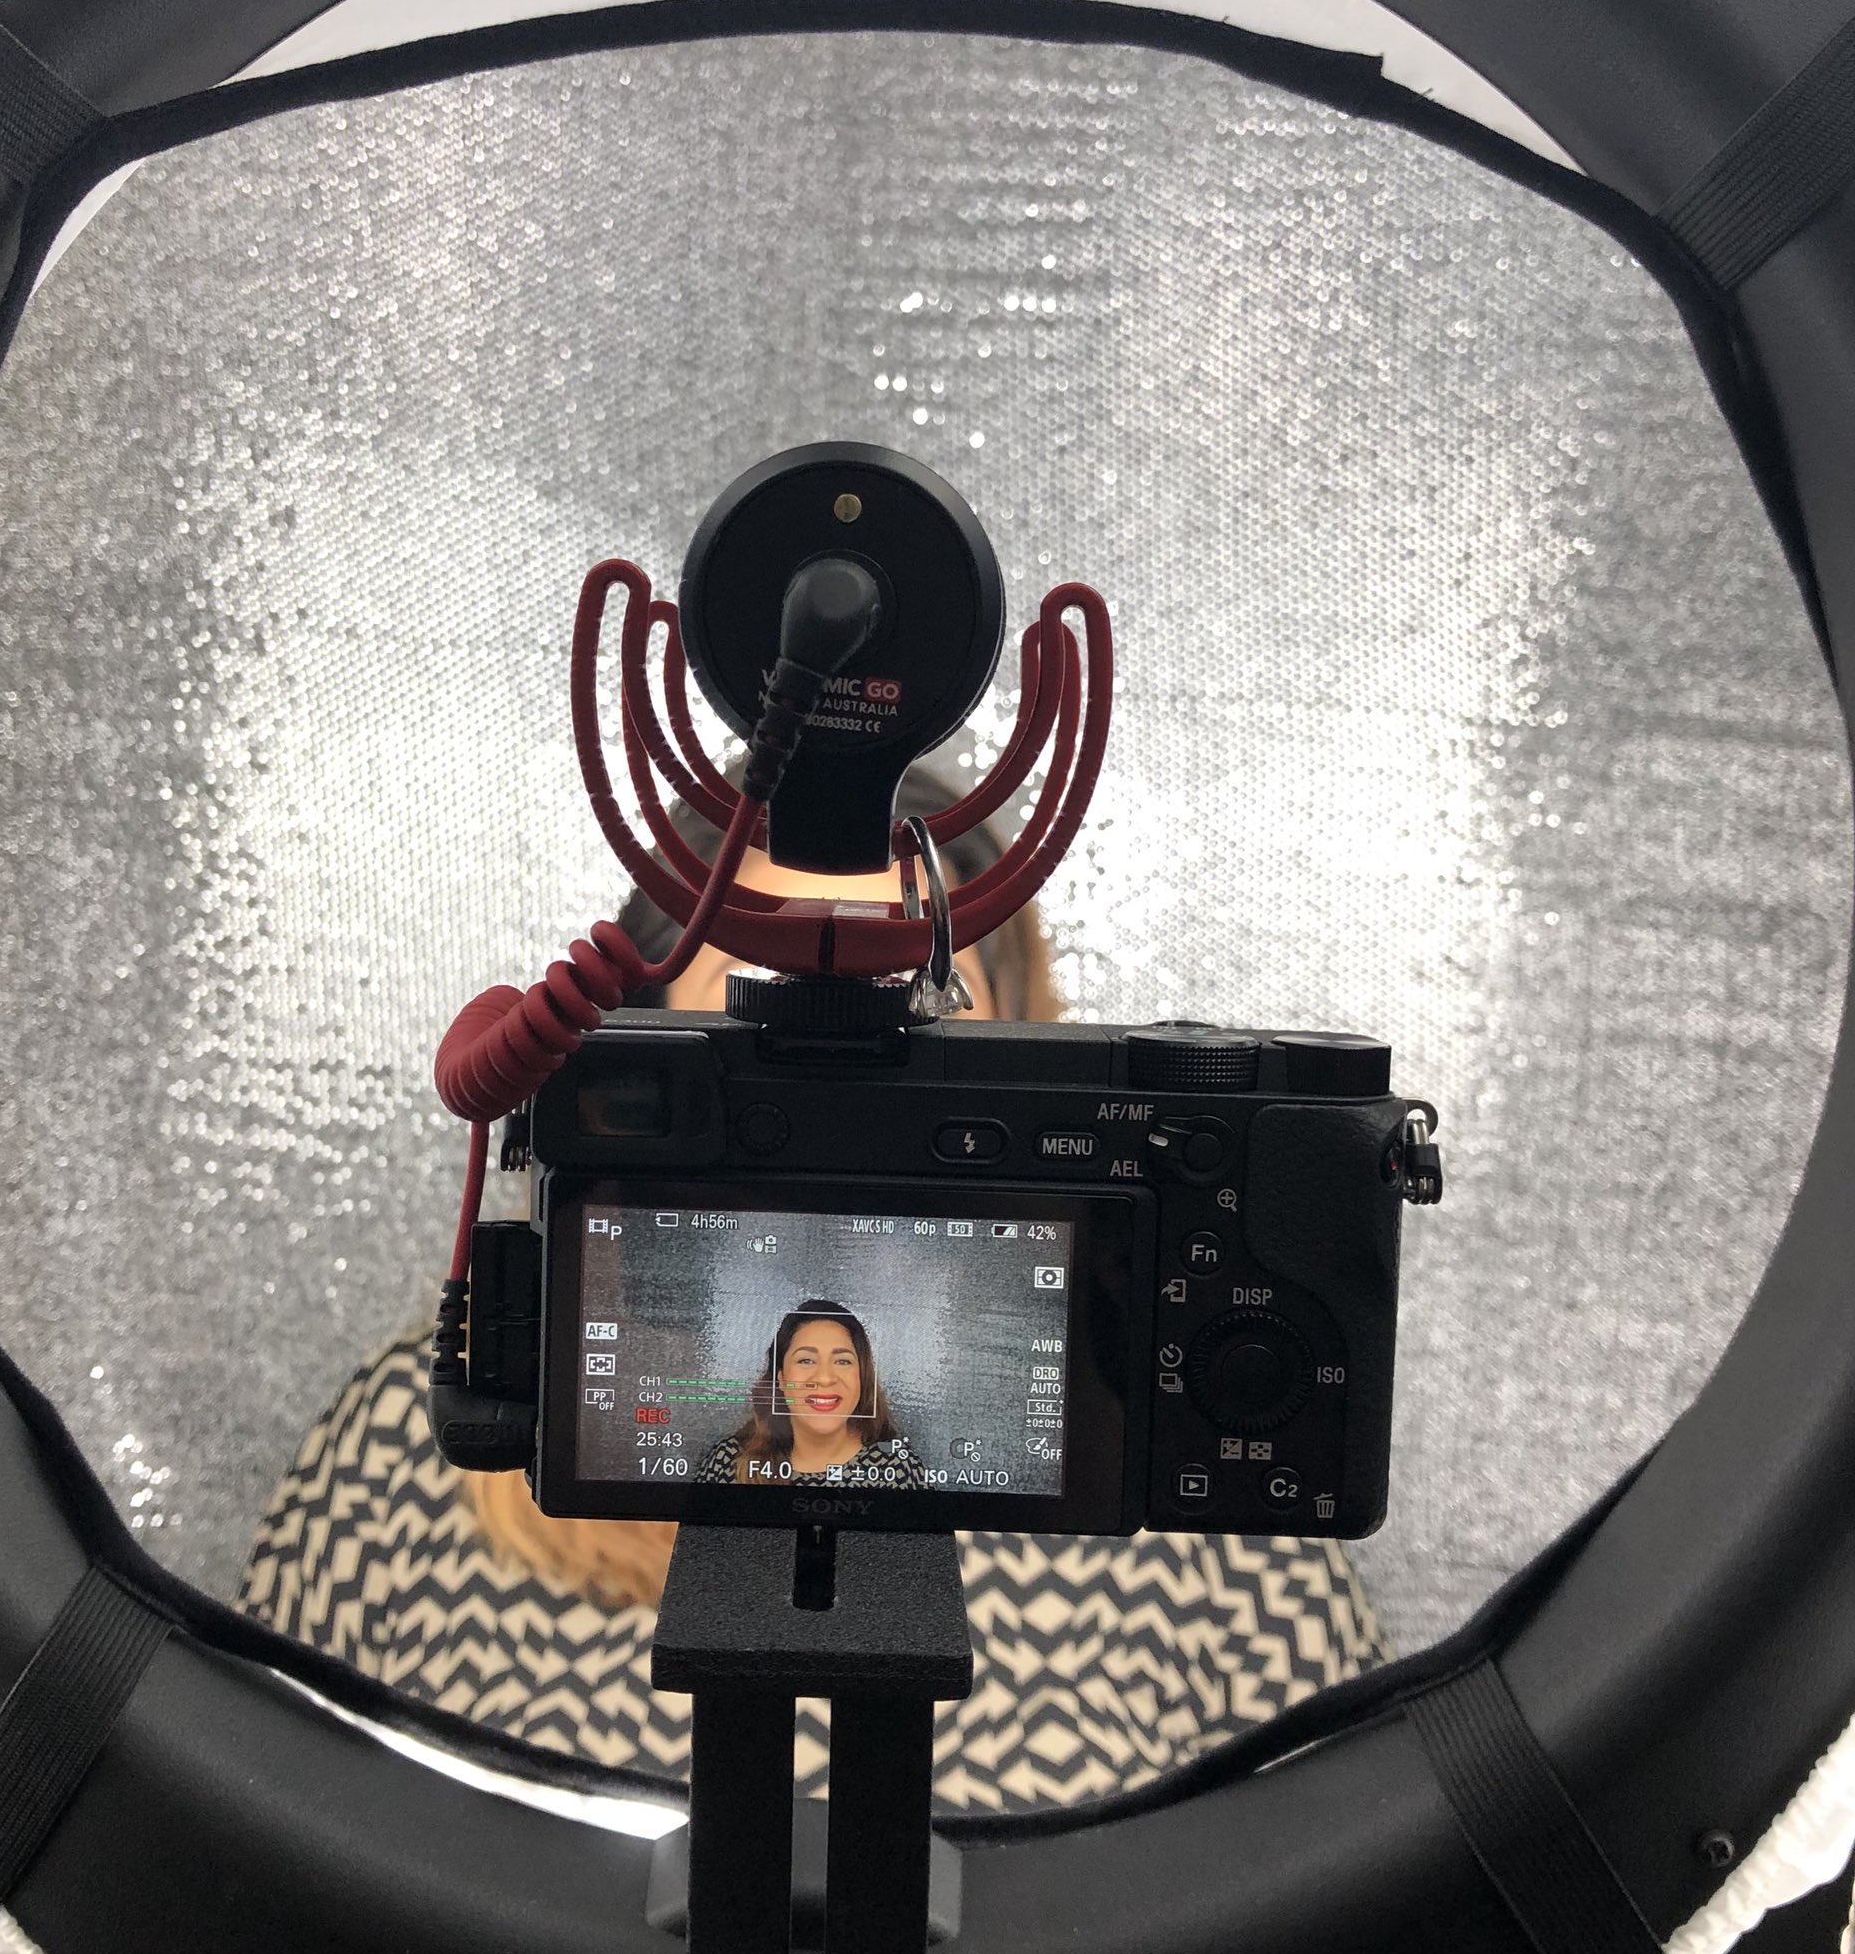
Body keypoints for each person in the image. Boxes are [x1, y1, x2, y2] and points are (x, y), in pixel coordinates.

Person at [240, 763, 1386, 1809]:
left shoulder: (1207, 1511)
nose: (843, 1083)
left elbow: (1337, 1878)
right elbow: (263, 1844)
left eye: (917, 1006)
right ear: (635, 1048)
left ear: (1032, 1058)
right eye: (764, 993)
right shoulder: (410, 1452)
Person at [694, 1300, 925, 1487]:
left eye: (842, 1361)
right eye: (806, 1360)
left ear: (862, 1378)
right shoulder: (729, 1462)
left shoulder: (898, 1468)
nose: (824, 1378)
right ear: (780, 1378)